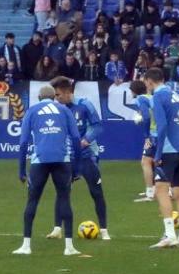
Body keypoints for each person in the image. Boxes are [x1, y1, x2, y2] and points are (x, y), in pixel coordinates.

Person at [13, 85, 82, 257]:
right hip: (62, 160)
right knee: (65, 199)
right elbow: (75, 138)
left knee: (32, 201)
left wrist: (21, 169)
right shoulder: (64, 110)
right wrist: (76, 167)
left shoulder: (32, 111)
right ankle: (69, 247)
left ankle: (26, 245)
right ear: (54, 97)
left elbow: (23, 142)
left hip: (39, 161)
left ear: (38, 97)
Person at [45, 77, 109, 241]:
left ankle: (103, 230)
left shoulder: (85, 104)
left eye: (58, 95)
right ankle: (57, 228)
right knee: (62, 192)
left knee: (96, 192)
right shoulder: (57, 108)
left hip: (87, 155)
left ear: (68, 92)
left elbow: (97, 125)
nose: (56, 98)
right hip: (66, 157)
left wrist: (86, 140)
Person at [145, 67, 179, 249]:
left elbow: (162, 125)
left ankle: (169, 235)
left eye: (146, 82)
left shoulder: (158, 96)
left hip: (169, 149)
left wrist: (157, 154)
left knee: (160, 190)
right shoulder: (176, 95)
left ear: (150, 81)